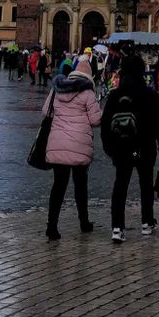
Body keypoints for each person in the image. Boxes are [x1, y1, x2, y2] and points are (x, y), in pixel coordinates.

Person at [101, 54, 159, 244]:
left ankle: (117, 227)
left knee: (120, 185)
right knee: (146, 184)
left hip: (123, 148)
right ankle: (147, 223)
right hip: (143, 148)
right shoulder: (149, 94)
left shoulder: (115, 95)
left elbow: (105, 123)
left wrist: (109, 148)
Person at [43, 54, 101, 240]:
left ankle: (51, 227)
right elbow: (96, 120)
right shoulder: (88, 93)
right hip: (79, 144)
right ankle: (84, 222)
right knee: (80, 186)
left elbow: (46, 111)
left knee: (58, 186)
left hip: (58, 142)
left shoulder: (57, 90)